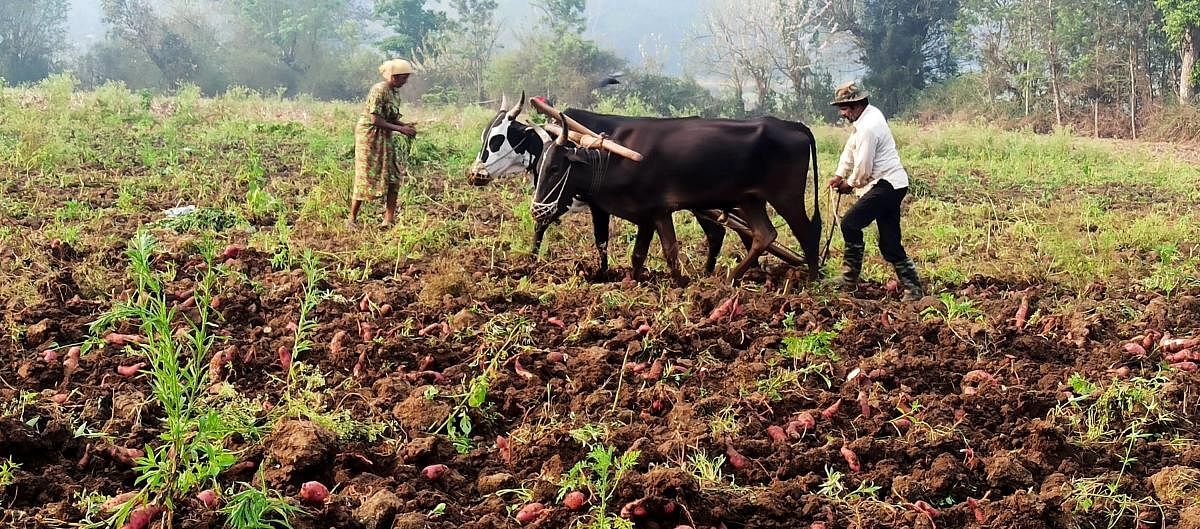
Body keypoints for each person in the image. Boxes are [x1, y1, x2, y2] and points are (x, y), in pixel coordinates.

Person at [826, 81, 925, 301]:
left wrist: (849, 184)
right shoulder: (867, 118)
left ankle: (849, 279)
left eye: (844, 108)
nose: (842, 113)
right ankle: (913, 288)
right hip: (893, 184)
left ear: (857, 105)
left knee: (850, 223)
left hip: (886, 184)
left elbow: (863, 167)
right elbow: (851, 149)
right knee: (889, 241)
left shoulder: (869, 128)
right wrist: (839, 174)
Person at [349, 58, 419, 227]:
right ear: (394, 77)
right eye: (403, 78)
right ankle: (352, 218)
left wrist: (405, 125)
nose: (405, 81)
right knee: (365, 176)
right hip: (370, 137)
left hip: (386, 136)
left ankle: (388, 219)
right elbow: (375, 120)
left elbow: (391, 117)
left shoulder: (394, 92)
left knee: (393, 175)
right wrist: (401, 129)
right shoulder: (379, 90)